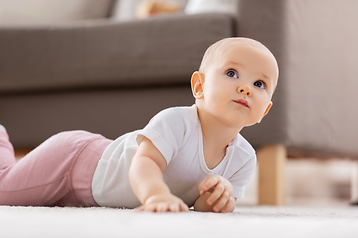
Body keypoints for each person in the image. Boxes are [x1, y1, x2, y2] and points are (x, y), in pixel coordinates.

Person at [0, 37, 279, 213]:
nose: (245, 88)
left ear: (264, 110)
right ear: (199, 86)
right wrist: (155, 195)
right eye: (232, 73)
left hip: (93, 195)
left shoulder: (244, 159)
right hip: (74, 161)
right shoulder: (178, 122)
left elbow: (201, 207)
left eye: (259, 84)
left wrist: (220, 197)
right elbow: (144, 163)